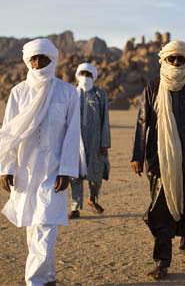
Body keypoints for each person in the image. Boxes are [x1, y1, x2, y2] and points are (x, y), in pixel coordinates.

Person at [131, 40, 185, 280]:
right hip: (159, 160)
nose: (176, 62)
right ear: (163, 60)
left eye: (180, 59)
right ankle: (162, 262)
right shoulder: (153, 87)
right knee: (161, 209)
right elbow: (142, 123)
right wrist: (137, 155)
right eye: (172, 58)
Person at [0, 38, 80, 286]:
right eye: (33, 59)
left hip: (53, 170)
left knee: (46, 226)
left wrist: (66, 170)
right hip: (24, 170)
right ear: (27, 61)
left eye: (42, 58)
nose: (37, 63)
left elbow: (72, 134)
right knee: (33, 228)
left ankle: (34, 281)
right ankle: (48, 277)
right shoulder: (19, 92)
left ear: (52, 60)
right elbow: (9, 133)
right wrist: (6, 168)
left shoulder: (67, 92)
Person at [68, 63, 111, 219]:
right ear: (78, 75)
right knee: (75, 176)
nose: (85, 77)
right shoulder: (71, 93)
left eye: (88, 74)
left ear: (93, 76)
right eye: (82, 73)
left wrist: (104, 143)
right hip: (75, 141)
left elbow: (105, 119)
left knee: (96, 175)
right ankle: (75, 208)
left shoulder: (100, 95)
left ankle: (93, 199)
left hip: (96, 142)